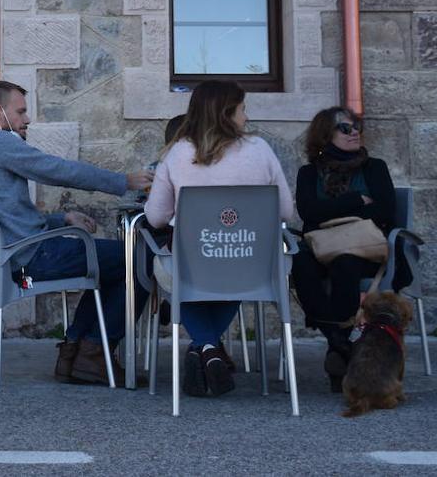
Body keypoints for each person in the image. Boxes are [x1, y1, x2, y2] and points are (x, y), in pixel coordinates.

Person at [0, 80, 151, 385]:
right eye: (20, 112)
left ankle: (75, 351)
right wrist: (123, 181)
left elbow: (8, 218)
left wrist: (62, 218)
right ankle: (94, 351)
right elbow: (58, 170)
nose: (27, 119)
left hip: (9, 260)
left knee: (112, 264)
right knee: (139, 259)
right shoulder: (1, 144)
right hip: (34, 258)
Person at [144, 79, 295, 398]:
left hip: (194, 261)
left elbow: (156, 217)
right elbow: (285, 211)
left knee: (175, 275)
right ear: (226, 113)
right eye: (243, 109)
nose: (246, 117)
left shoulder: (177, 154)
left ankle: (207, 347)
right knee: (238, 268)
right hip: (251, 261)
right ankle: (209, 348)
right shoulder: (261, 150)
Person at [290, 106, 404, 392]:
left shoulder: (373, 167)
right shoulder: (308, 173)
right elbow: (308, 212)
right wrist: (355, 200)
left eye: (356, 127)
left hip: (363, 249)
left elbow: (386, 211)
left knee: (345, 264)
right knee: (299, 262)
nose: (354, 133)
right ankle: (340, 342)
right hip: (319, 247)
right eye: (345, 128)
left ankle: (336, 346)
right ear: (325, 134)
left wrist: (332, 211)